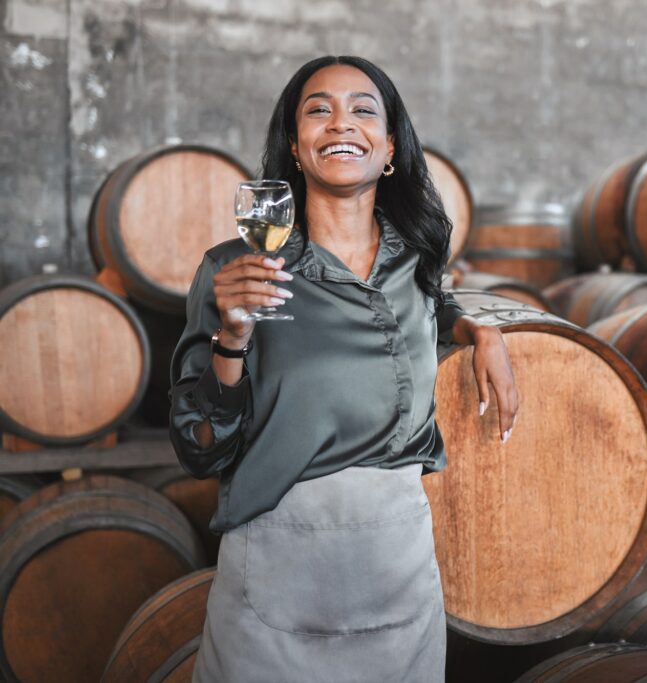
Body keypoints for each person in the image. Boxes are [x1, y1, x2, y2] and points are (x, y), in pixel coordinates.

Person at [168, 55, 519, 682]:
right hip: (278, 568)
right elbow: (199, 449)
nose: (340, 123)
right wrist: (233, 336)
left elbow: (434, 307)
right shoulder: (237, 271)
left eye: (363, 110)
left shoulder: (415, 261)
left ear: (388, 148)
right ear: (296, 147)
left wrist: (478, 329)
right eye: (317, 109)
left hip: (400, 567)